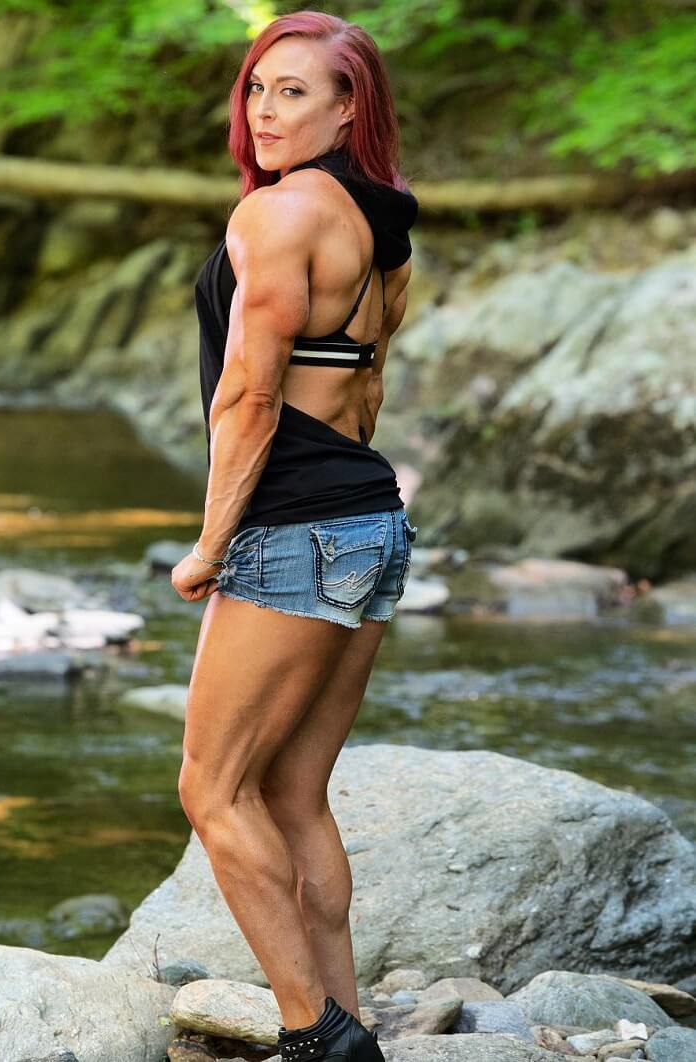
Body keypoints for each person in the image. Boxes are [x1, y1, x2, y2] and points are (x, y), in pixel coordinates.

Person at [170, 11, 419, 1062]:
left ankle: (310, 1034)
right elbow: (360, 390)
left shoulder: (274, 220)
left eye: (295, 93)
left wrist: (209, 542)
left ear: (348, 105)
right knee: (292, 792)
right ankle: (345, 1020)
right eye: (257, 89)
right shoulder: (382, 222)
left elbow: (250, 397)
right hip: (366, 518)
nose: (266, 112)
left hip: (291, 522)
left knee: (211, 790)